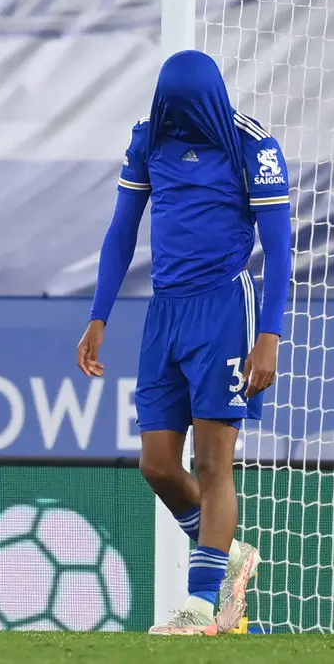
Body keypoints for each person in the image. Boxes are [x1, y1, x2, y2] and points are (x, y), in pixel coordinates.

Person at [78, 49, 293, 635]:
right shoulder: (150, 141)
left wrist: (269, 334)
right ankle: (226, 554)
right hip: (164, 314)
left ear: (213, 98)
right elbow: (122, 230)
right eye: (172, 103)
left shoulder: (255, 147)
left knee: (212, 460)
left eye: (190, 103)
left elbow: (279, 248)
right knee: (156, 465)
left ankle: (198, 606)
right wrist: (99, 316)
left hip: (226, 310)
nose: (180, 114)